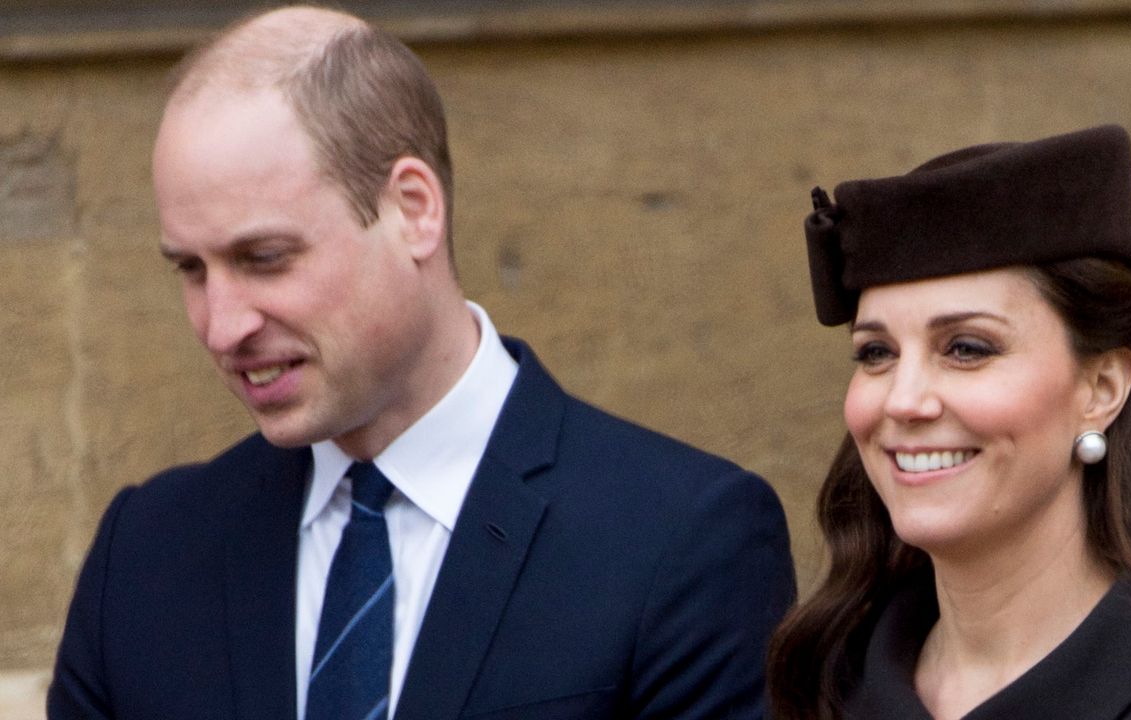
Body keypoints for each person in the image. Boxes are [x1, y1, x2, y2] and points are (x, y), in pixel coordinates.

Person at [48, 6, 795, 719]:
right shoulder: (144, 556)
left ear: (413, 209)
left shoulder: (682, 541)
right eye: (191, 270)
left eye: (266, 259)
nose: (222, 325)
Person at [767, 125, 1131, 720]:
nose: (903, 402)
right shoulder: (826, 684)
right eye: (876, 353)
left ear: (1102, 388)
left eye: (966, 348)